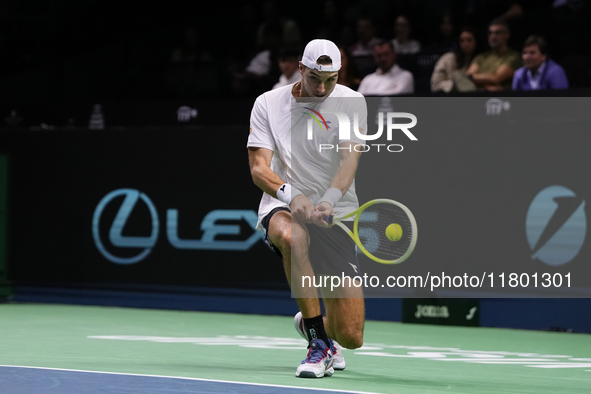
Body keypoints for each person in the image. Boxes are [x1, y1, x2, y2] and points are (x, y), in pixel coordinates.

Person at [247, 39, 367, 378]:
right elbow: (259, 168)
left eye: (331, 79)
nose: (323, 87)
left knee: (352, 336)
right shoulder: (268, 103)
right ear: (300, 69)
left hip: (334, 214)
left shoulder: (352, 101)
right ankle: (318, 344)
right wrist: (292, 195)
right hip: (282, 205)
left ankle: (313, 322)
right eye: (316, 78)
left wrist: (328, 199)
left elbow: (349, 157)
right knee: (293, 237)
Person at [461, 19, 521, 91]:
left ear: (506, 35)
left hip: (499, 97)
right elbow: (468, 76)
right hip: (477, 93)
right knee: (457, 75)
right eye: (490, 33)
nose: (493, 36)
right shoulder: (481, 57)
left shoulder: (513, 56)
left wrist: (473, 77)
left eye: (497, 33)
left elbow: (496, 78)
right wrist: (486, 79)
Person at [431, 27, 479, 93]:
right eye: (462, 41)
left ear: (476, 41)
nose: (465, 44)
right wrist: (457, 84)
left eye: (469, 40)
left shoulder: (481, 59)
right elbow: (435, 84)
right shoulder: (447, 59)